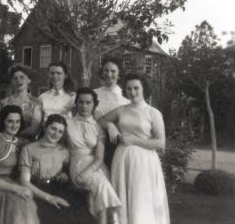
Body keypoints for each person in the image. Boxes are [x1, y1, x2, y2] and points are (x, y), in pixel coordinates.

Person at [103, 73, 170, 224]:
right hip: (122, 160)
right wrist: (110, 125)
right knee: (123, 196)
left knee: (140, 197)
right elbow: (101, 120)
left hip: (144, 162)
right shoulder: (121, 110)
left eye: (136, 88)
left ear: (143, 89)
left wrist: (134, 140)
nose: (132, 92)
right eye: (128, 89)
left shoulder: (153, 113)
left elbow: (160, 143)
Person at [19, 114, 96, 224]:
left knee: (83, 215)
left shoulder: (64, 151)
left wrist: (65, 175)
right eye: (53, 128)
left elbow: (67, 173)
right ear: (45, 127)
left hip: (60, 188)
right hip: (39, 191)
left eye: (60, 131)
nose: (56, 134)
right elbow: (24, 181)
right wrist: (49, 198)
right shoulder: (29, 149)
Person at [67, 88, 121, 224]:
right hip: (76, 163)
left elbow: (99, 158)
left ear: (94, 105)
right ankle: (112, 218)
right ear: (76, 103)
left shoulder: (98, 128)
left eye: (88, 103)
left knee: (98, 190)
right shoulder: (67, 124)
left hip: (96, 166)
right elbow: (62, 149)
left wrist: (87, 172)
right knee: (102, 185)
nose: (84, 106)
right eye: (81, 102)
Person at [93, 57, 130, 168]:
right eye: (106, 70)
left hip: (115, 143)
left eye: (113, 71)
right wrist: (109, 125)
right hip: (94, 140)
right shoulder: (93, 94)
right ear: (102, 72)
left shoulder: (126, 98)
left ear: (119, 74)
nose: (109, 74)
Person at [2, 65, 41, 140]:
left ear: (29, 80)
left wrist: (13, 133)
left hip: (28, 143)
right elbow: (1, 125)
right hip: (7, 141)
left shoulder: (36, 102)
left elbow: (34, 130)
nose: (18, 80)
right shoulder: (4, 102)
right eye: (15, 78)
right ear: (12, 81)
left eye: (22, 77)